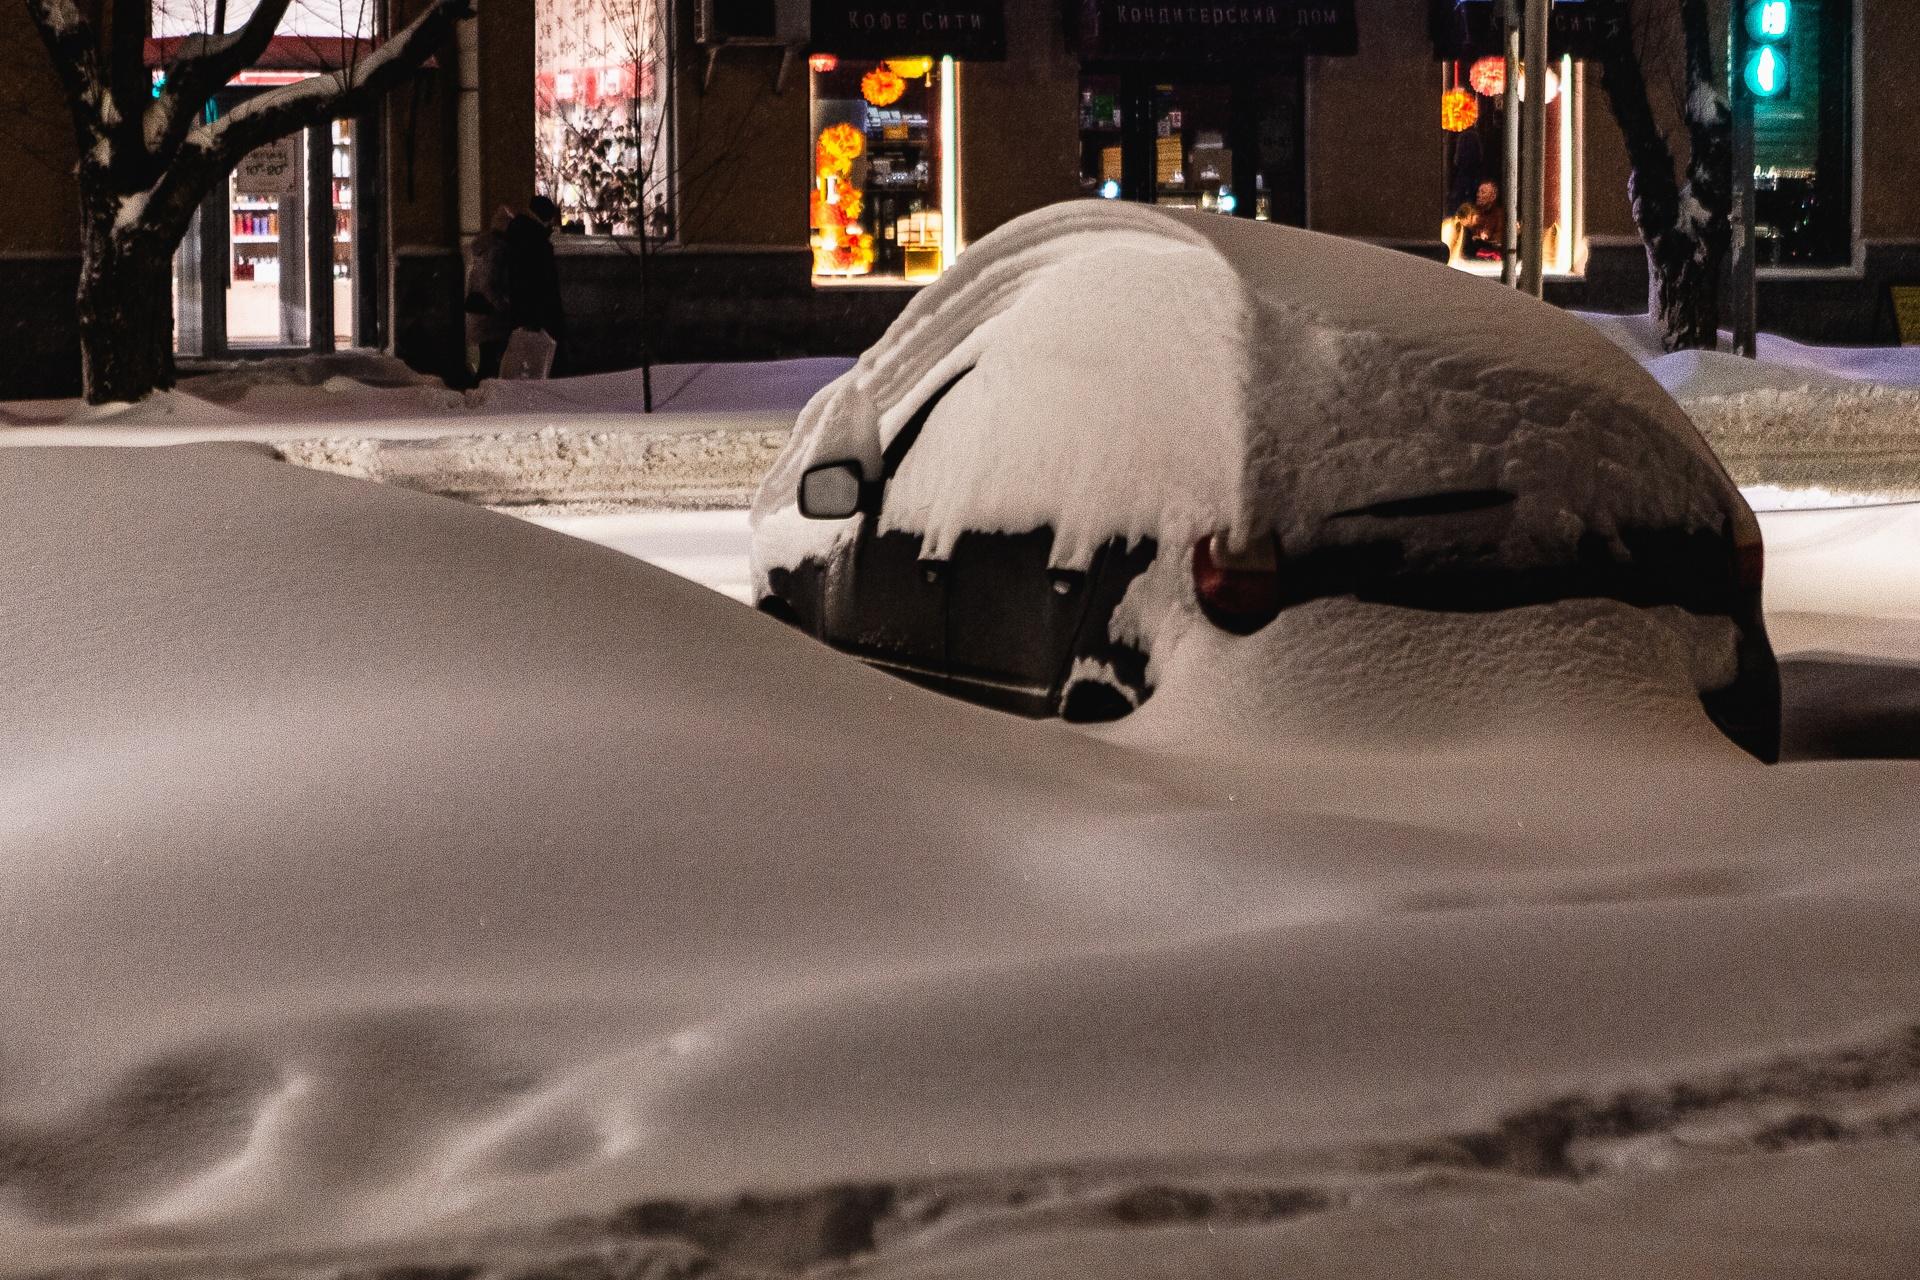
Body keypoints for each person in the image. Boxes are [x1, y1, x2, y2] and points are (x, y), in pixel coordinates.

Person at [505, 194, 567, 372]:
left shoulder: (520, 234)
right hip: (539, 314)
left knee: (528, 363)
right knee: (544, 362)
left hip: (525, 311)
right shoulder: (536, 241)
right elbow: (543, 283)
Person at [464, 205, 514, 382]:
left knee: (487, 357)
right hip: (491, 315)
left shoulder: (481, 248)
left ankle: (480, 393)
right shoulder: (498, 250)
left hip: (479, 310)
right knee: (491, 361)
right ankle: (483, 399)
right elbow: (490, 284)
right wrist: (503, 306)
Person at [1448, 180, 1506, 264]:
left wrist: (1488, 237)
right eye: (1478, 192)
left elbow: (1500, 240)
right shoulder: (1471, 211)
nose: (1478, 195)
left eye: (1483, 192)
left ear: (1493, 196)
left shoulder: (1500, 215)